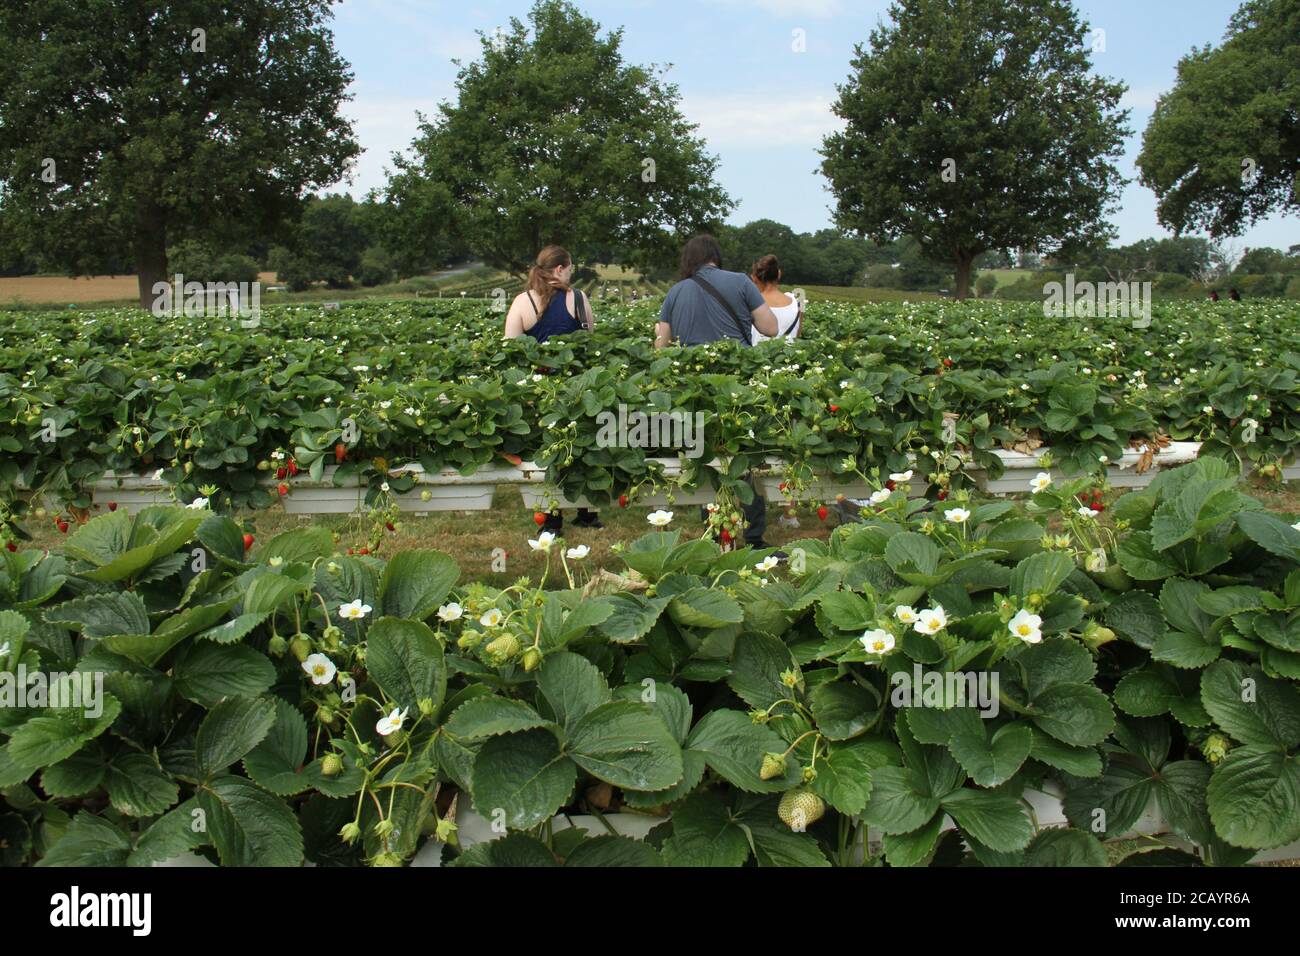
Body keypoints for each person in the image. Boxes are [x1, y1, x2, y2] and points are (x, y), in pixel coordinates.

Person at [657, 235, 782, 552]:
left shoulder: (675, 291)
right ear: (716, 256)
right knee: (744, 455)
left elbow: (661, 345)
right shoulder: (739, 281)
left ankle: (714, 533)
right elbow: (770, 328)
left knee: (705, 454)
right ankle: (753, 537)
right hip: (736, 384)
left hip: (693, 387)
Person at [503, 245, 602, 532]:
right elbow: (589, 340)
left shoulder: (523, 302)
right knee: (580, 447)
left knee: (548, 452)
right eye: (570, 269)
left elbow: (509, 348)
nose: (571, 275)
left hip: (540, 392)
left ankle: (551, 520)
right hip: (578, 390)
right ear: (560, 269)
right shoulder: (580, 299)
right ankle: (586, 513)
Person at [748, 255, 803, 344]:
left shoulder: (750, 303)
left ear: (754, 278)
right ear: (779, 274)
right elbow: (797, 335)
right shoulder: (797, 303)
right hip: (788, 356)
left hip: (757, 357)